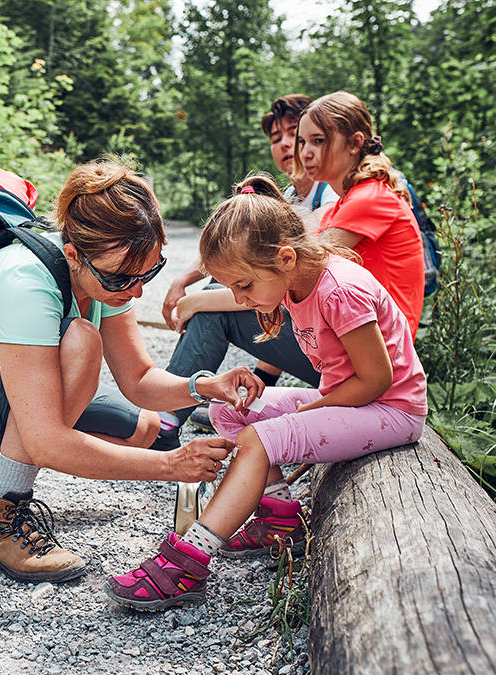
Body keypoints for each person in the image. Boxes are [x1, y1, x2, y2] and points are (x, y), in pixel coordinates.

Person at [0, 157, 263, 584]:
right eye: (121, 279)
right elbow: (46, 442)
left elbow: (138, 380)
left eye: (148, 274)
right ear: (73, 254)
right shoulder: (26, 282)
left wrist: (206, 386)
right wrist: (172, 466)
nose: (135, 291)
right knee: (80, 342)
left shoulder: (107, 272)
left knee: (143, 430)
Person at [105, 174, 427, 611]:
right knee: (231, 409)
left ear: (287, 257)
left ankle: (189, 557)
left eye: (244, 286)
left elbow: (376, 380)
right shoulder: (294, 282)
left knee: (262, 436)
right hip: (354, 399)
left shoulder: (341, 291)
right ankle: (280, 521)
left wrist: (306, 411)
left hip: (391, 410)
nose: (239, 297)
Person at [153, 94, 334, 449]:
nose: (285, 144)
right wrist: (184, 279)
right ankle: (175, 413)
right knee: (221, 285)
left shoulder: (330, 197)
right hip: (315, 338)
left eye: (295, 135)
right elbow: (235, 252)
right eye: (275, 137)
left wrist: (197, 302)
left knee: (212, 306)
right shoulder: (288, 198)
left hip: (346, 352)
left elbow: (288, 286)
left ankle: (165, 420)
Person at [294, 90, 425, 337]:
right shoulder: (343, 205)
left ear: (354, 143)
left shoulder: (369, 198)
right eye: (302, 142)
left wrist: (202, 302)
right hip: (358, 334)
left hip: (384, 350)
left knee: (220, 315)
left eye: (318, 141)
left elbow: (299, 271)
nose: (305, 152)